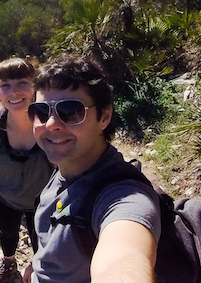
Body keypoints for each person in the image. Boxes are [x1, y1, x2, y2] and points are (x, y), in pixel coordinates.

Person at [26, 55, 161, 283]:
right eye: (41, 111)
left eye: (70, 111)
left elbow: (124, 256)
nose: (51, 124)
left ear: (104, 117)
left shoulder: (122, 197)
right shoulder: (67, 169)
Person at [0, 57, 55, 283]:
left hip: (43, 200)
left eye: (22, 82)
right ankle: (9, 264)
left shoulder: (49, 121)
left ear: (35, 87)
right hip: (4, 197)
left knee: (42, 240)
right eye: (5, 85)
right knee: (8, 235)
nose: (14, 92)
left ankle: (39, 267)